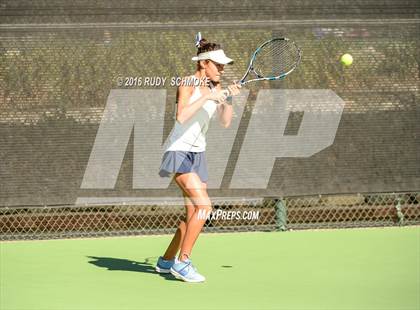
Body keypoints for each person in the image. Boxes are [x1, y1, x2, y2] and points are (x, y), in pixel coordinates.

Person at [155, 33, 241, 282]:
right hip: (179, 151)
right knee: (204, 208)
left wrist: (228, 99)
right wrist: (207, 97)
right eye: (218, 64)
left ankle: (166, 260)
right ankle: (183, 263)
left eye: (224, 65)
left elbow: (225, 123)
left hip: (198, 154)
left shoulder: (216, 88)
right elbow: (181, 117)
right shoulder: (188, 83)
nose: (222, 69)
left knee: (193, 213)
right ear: (203, 63)